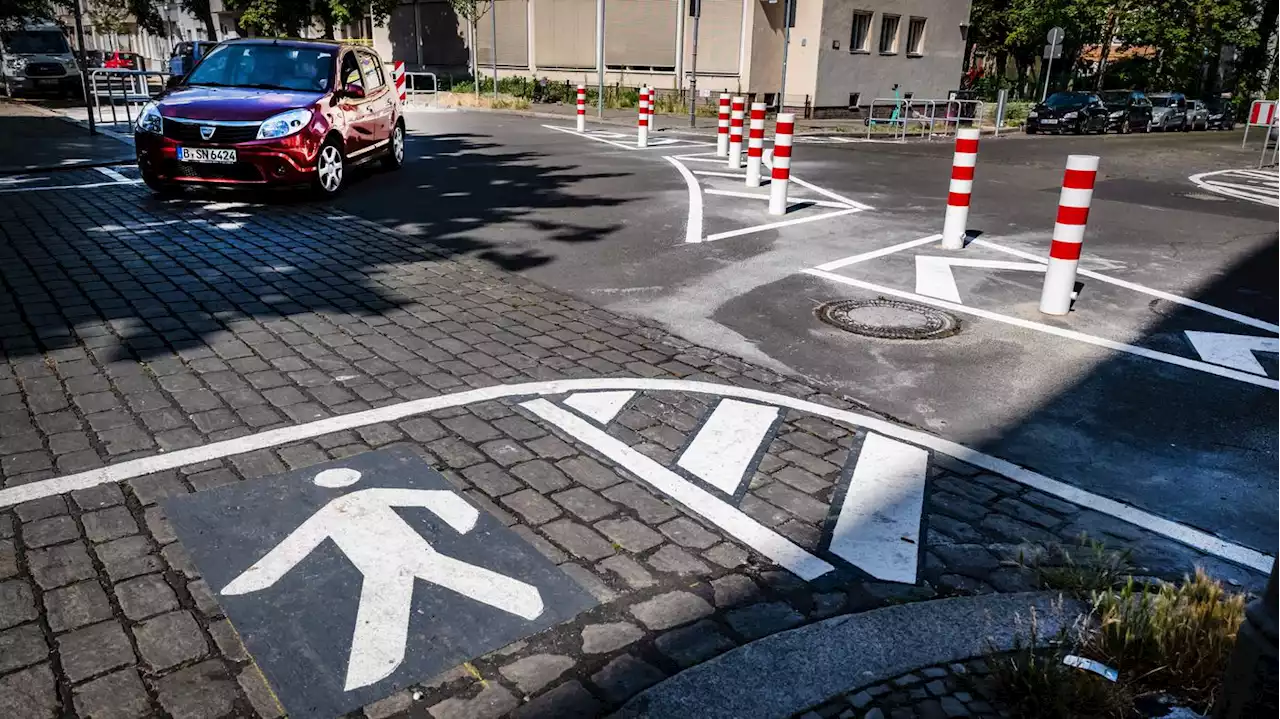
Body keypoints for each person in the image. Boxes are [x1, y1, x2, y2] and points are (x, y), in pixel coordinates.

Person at [221, 467, 544, 691]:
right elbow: (434, 498)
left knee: (409, 590)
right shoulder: (359, 499)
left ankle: (370, 670)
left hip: (396, 559)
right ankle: (528, 602)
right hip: (390, 562)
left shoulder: (344, 505)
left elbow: (295, 546)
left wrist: (258, 578)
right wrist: (461, 519)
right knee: (412, 588)